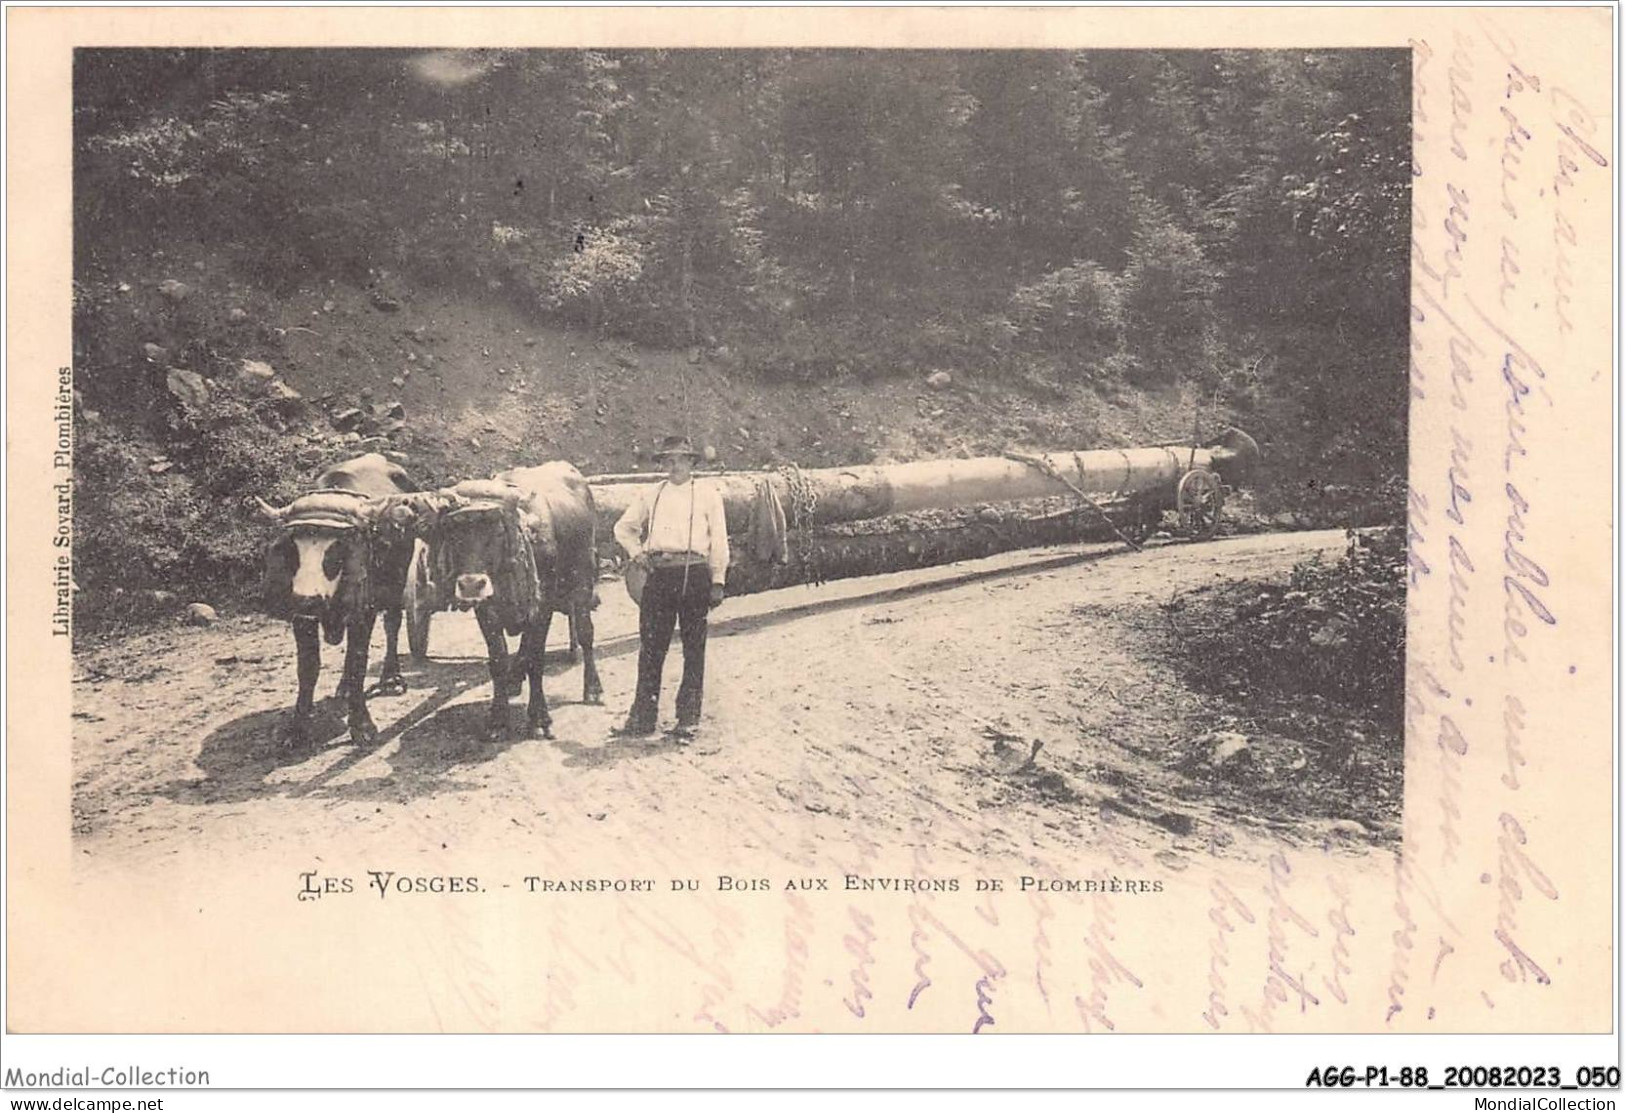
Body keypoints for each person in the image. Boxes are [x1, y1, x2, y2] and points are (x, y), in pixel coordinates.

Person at [612, 435, 729, 738]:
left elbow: (719, 540)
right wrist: (638, 554)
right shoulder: (652, 494)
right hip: (660, 574)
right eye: (668, 460)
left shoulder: (707, 494)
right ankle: (642, 718)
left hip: (695, 573)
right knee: (651, 648)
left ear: (692, 462)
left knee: (693, 648)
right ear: (662, 464)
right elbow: (623, 528)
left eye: (680, 459)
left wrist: (718, 580)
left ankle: (688, 718)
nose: (674, 465)